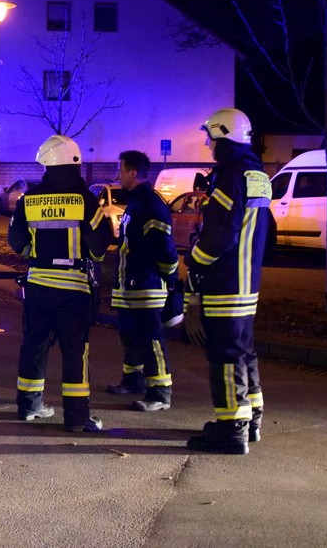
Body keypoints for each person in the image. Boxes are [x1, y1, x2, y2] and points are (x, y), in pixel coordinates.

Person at [8, 135, 113, 432]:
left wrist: (37, 255)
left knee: (34, 345)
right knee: (75, 352)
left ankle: (29, 407)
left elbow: (16, 243)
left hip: (38, 286)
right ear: (75, 163)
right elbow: (98, 249)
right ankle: (77, 419)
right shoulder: (86, 200)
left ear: (46, 164)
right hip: (74, 289)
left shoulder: (30, 199)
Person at [184, 108, 271, 455]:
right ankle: (250, 421)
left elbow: (220, 233)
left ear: (224, 137)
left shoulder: (232, 175)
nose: (208, 144)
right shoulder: (256, 173)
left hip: (225, 281)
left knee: (223, 354)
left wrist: (195, 263)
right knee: (243, 352)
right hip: (247, 281)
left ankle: (230, 429)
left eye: (211, 138)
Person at [107, 150, 179, 412]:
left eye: (121, 170)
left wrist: (171, 281)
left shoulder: (150, 205)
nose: (118, 175)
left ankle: (159, 393)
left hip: (148, 287)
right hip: (131, 287)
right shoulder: (136, 203)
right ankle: (133, 380)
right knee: (130, 336)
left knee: (151, 339)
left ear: (133, 173)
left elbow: (165, 250)